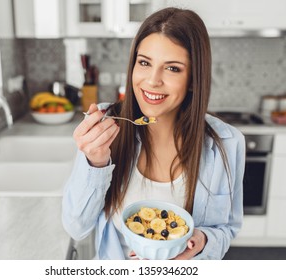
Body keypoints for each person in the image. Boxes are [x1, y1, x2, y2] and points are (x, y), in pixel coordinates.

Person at [62, 7, 245, 260]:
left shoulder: (227, 142)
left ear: (193, 79)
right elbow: (77, 227)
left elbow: (226, 230)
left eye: (172, 69)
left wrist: (202, 242)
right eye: (144, 63)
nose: (152, 81)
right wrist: (95, 163)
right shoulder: (106, 129)